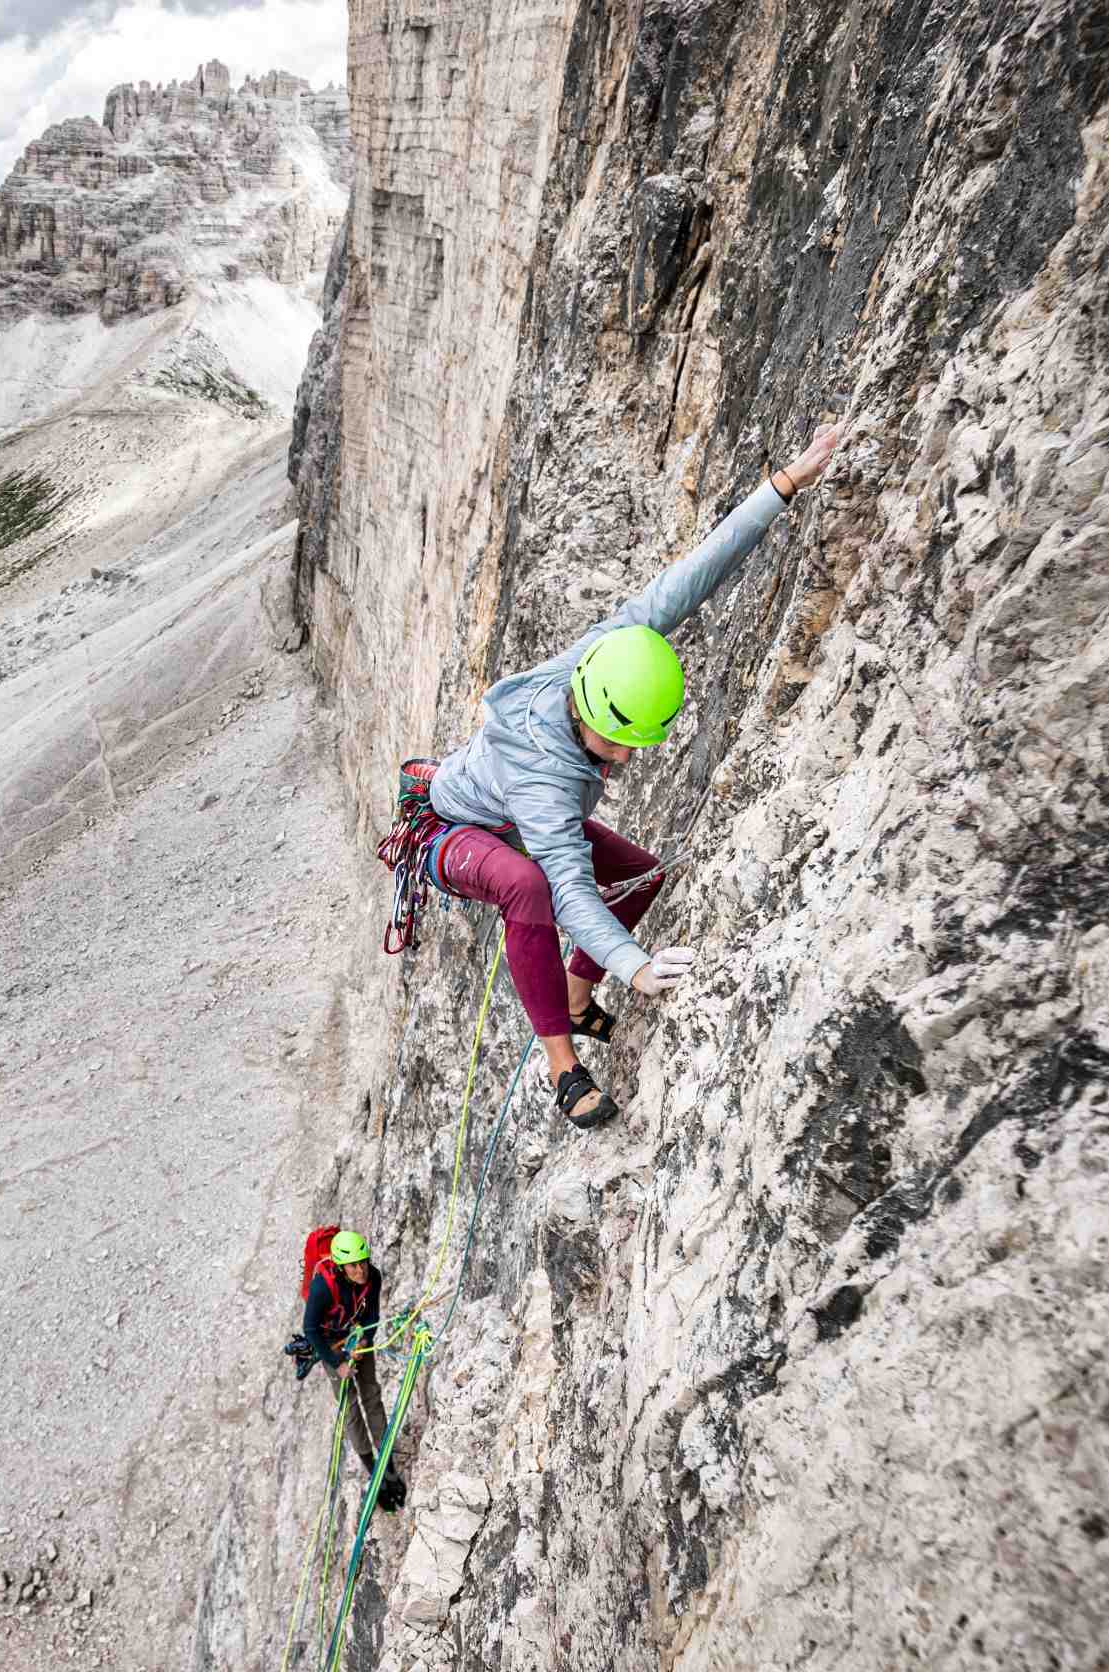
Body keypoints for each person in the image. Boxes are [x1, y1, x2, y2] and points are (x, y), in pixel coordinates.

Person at [426, 424, 847, 1128]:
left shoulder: (608, 654)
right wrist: (635, 965)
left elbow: (692, 576)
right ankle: (562, 1068)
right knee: (526, 885)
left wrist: (785, 484)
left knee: (645, 872)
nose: (624, 759)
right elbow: (564, 882)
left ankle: (577, 999)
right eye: (615, 743)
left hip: (509, 818)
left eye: (634, 745)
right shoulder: (543, 777)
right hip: (457, 832)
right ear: (586, 709)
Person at [301, 1230, 407, 1511]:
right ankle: (374, 1472)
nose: (361, 1270)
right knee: (350, 1408)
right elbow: (310, 1329)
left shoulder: (373, 1276)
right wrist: (338, 1364)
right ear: (340, 1267)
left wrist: (364, 1340)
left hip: (356, 1338)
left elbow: (372, 1315)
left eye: (363, 1262)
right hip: (332, 1346)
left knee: (372, 1396)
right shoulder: (323, 1288)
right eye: (354, 1265)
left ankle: (389, 1469)